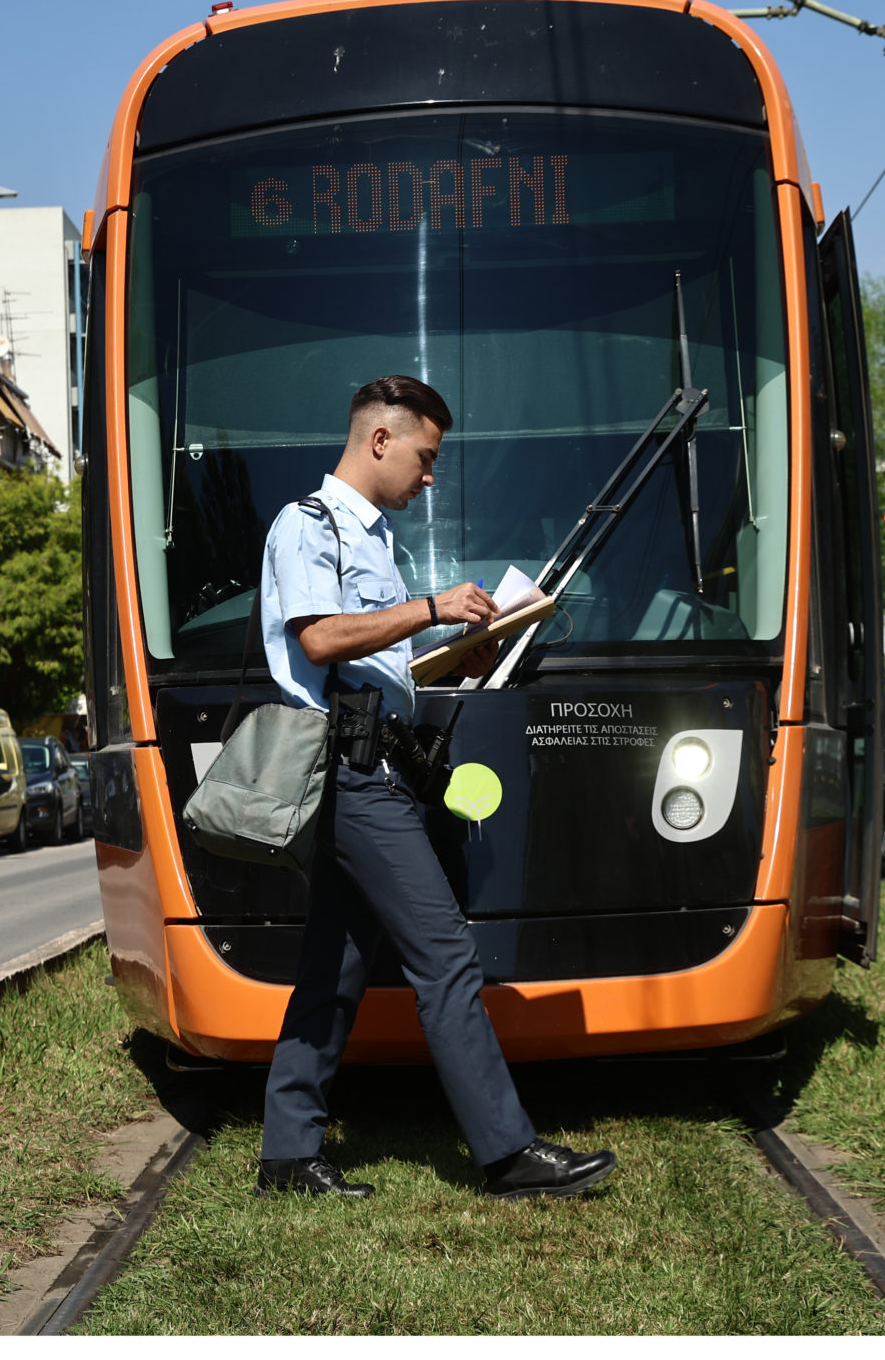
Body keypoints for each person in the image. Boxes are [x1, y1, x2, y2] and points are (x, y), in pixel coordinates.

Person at [254, 374, 617, 1201]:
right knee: (446, 955)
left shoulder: (377, 540)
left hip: (373, 764)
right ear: (379, 440)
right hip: (347, 775)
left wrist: (462, 651)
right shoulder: (306, 526)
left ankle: (286, 1154)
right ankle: (507, 1154)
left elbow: (378, 661)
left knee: (334, 967)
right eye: (425, 457)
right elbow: (318, 641)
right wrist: (429, 608)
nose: (428, 477)